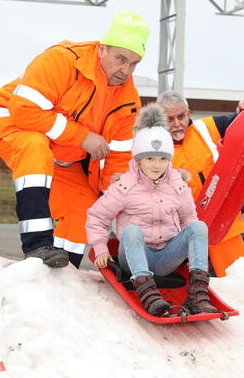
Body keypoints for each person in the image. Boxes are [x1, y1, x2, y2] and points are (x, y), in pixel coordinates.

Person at [0, 11, 150, 268]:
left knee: (84, 204)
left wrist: (114, 202)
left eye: (134, 63)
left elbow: (118, 158)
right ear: (102, 49)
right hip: (9, 120)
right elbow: (24, 109)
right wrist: (83, 137)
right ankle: (37, 245)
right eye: (121, 58)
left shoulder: (128, 100)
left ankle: (62, 269)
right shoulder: (63, 60)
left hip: (62, 152)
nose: (125, 70)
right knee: (35, 148)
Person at [85, 103, 217, 317]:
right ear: (138, 159)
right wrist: (100, 247)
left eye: (163, 158)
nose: (157, 165)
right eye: (150, 158)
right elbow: (97, 217)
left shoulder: (177, 184)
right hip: (134, 256)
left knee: (198, 226)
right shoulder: (125, 186)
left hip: (166, 258)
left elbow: (188, 218)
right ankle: (148, 294)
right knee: (132, 230)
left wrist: (188, 250)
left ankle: (197, 293)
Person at [156, 91, 244, 277]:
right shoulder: (154, 147)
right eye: (169, 119)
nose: (177, 123)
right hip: (182, 235)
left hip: (223, 226)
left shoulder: (208, 128)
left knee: (238, 283)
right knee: (193, 288)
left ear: (189, 112)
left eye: (181, 116)